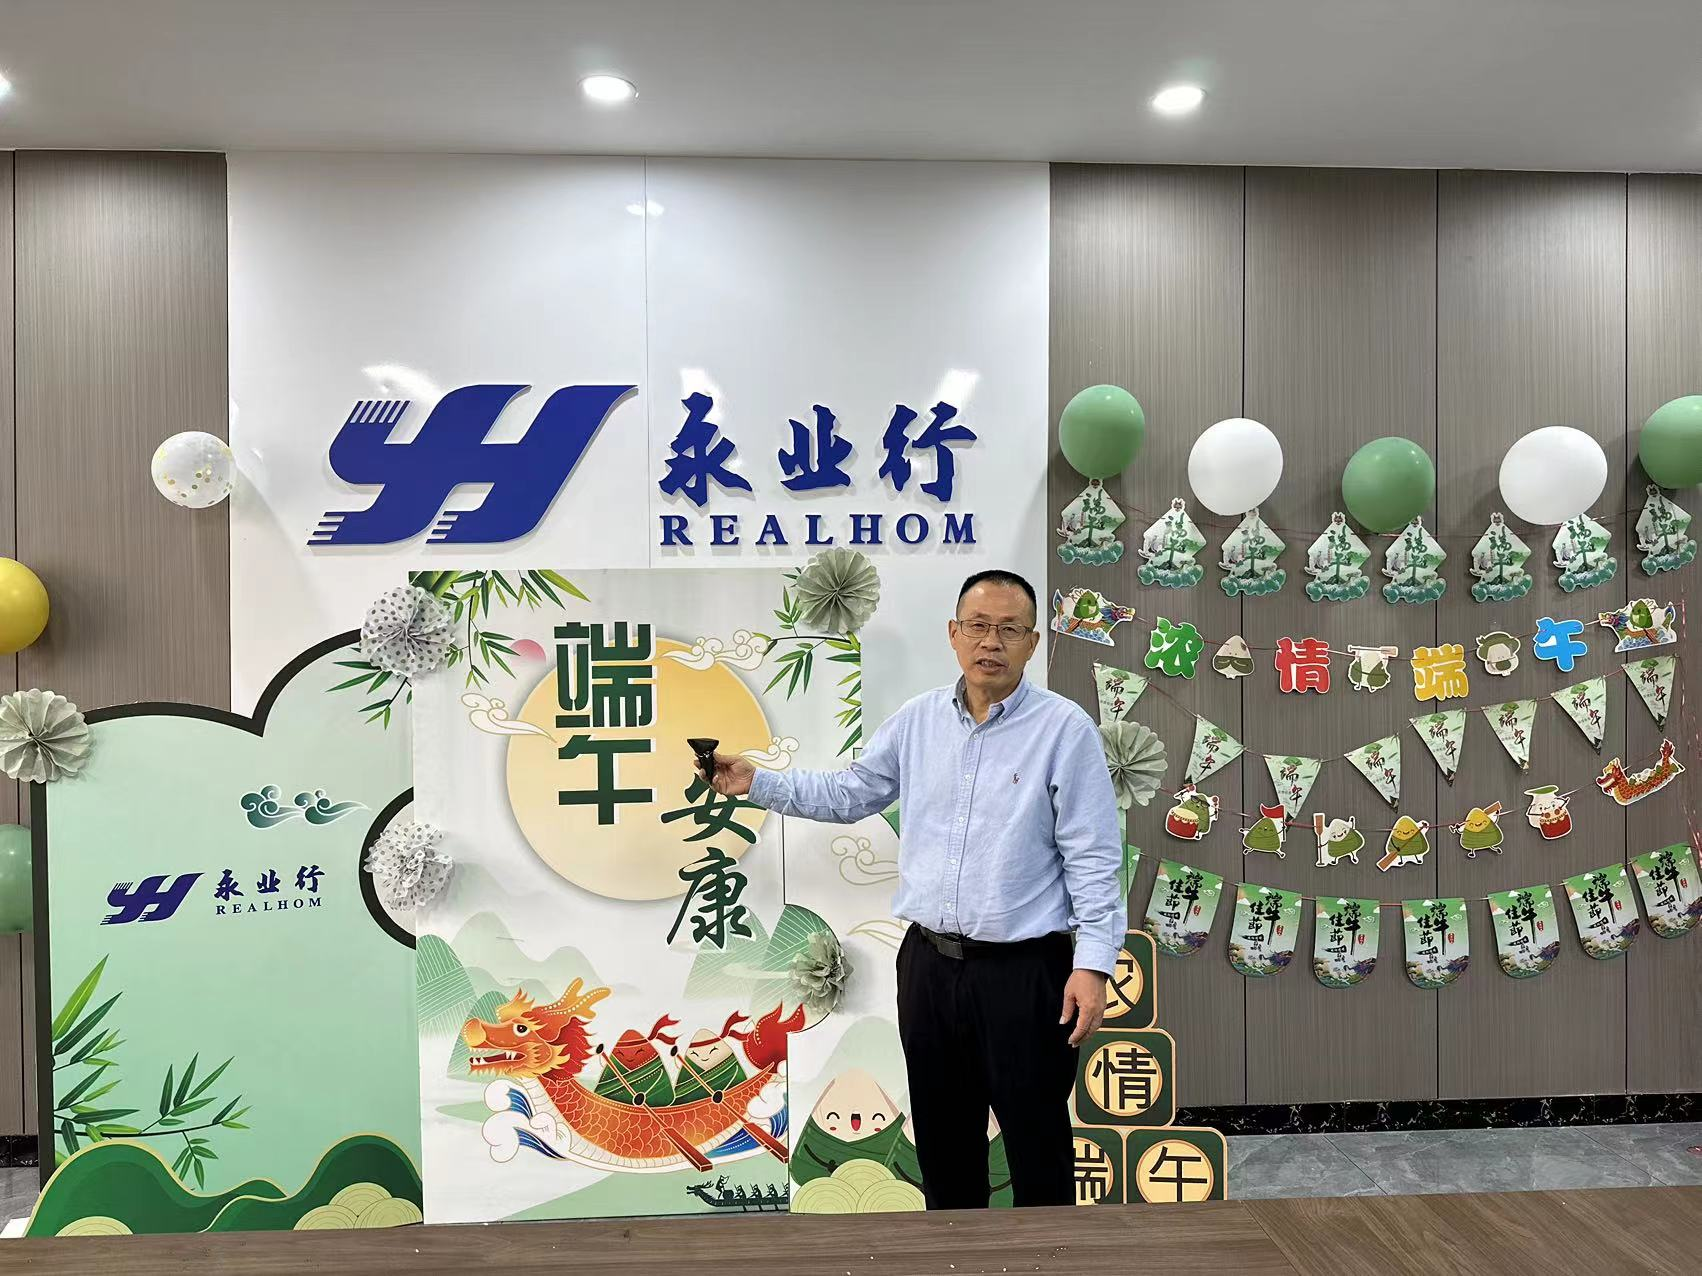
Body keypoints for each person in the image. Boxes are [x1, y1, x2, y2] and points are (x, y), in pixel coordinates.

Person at [703, 568, 1124, 1209]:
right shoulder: (918, 720)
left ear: (1032, 643)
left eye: (1009, 629)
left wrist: (1092, 965)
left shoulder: (1065, 731)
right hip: (929, 966)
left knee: (1037, 1144)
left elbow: (1093, 858)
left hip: (1025, 973)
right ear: (954, 633)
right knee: (943, 1143)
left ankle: (1051, 1255)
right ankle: (952, 1254)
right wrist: (756, 782)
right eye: (978, 626)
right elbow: (849, 794)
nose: (991, 642)